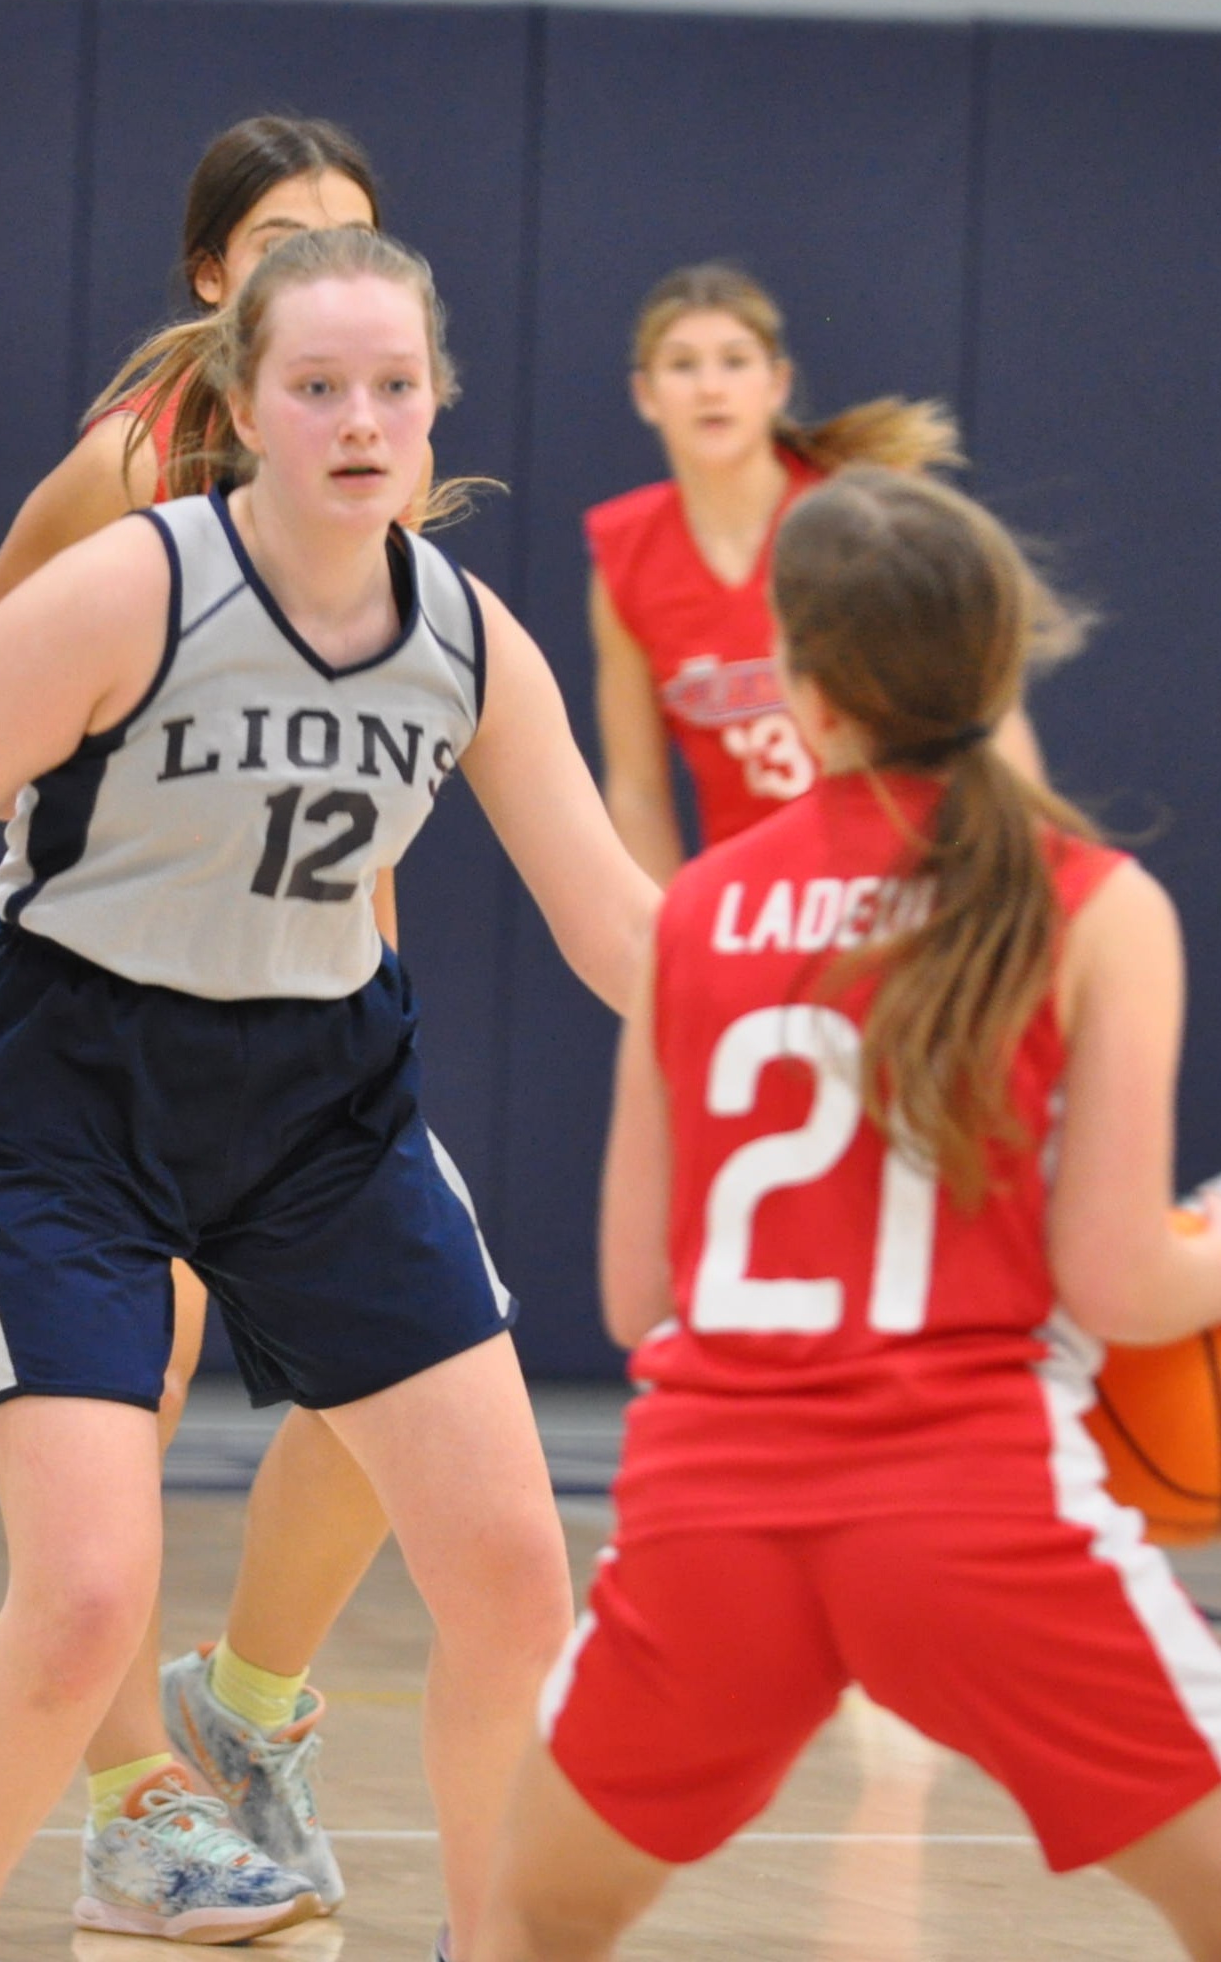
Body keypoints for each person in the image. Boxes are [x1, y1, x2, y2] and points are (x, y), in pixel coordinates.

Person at [0, 225, 659, 1959]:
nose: (361, 418)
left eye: (395, 385)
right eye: (318, 384)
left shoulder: (465, 638)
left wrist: (820, 1004)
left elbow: (615, 923)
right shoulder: (128, 592)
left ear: (438, 401)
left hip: (325, 1108)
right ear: (244, 399)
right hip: (71, 1098)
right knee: (83, 1602)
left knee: (520, 1582)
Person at [485, 467, 1221, 1962]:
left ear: (803, 695)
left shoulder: (691, 913)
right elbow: (1126, 1282)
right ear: (1006, 663)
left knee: (532, 1925)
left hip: (710, 1518)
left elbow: (639, 1300)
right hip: (976, 1517)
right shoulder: (1093, 902)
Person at [0, 113, 409, 1924]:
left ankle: (243, 1706)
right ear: (217, 275)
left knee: (396, 1392)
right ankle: (133, 1800)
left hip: (313, 1002)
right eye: (288, 239)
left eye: (355, 238)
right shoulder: (121, 475)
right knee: (119, 1400)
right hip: (109, 1005)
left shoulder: (371, 452)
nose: (324, 267)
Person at [587, 262, 1042, 884]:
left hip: (903, 875)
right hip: (759, 899)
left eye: (735, 361)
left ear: (777, 383)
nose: (710, 388)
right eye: (683, 365)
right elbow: (637, 790)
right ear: (646, 394)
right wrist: (659, 947)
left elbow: (987, 722)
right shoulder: (629, 553)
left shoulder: (861, 511)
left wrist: (1024, 882)